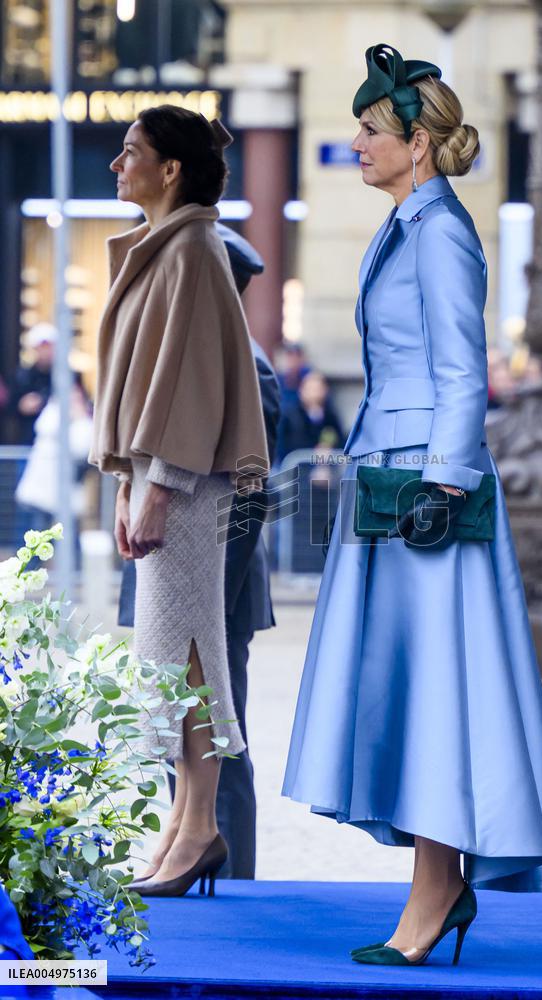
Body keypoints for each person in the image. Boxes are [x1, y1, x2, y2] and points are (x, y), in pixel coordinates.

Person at [282, 43, 542, 968]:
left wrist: (442, 487)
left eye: (370, 132)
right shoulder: (412, 221)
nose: (357, 145)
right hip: (396, 473)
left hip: (424, 487)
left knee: (434, 688)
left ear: (417, 141)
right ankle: (437, 884)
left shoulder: (441, 230)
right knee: (418, 689)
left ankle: (436, 892)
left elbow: (463, 373)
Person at [88, 105, 269, 897]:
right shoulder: (175, 247)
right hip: (171, 479)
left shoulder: (192, 247)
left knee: (191, 657)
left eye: (130, 153)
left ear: (170, 170)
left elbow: (186, 381)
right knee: (181, 656)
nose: (115, 166)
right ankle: (188, 823)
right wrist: (136, 479)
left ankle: (197, 825)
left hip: (186, 484)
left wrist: (155, 485)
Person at [117, 224, 281, 880]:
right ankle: (185, 849)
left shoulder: (249, 366)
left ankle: (228, 871)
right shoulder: (191, 353)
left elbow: (247, 496)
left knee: (220, 736)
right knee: (186, 735)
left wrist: (205, 599)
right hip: (179, 576)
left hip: (218, 585)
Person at [15, 376, 93, 534]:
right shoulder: (53, 411)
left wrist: (79, 417)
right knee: (34, 535)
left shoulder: (81, 417)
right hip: (41, 486)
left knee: (67, 536)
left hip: (65, 487)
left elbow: (82, 447)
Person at [276, 370, 345, 463]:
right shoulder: (290, 416)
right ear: (301, 391)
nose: (314, 393)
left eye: (318, 389)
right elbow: (285, 445)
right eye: (310, 389)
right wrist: (314, 452)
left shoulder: (331, 416)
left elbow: (340, 439)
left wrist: (328, 448)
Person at [8, 324, 56, 445]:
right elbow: (9, 406)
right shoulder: (22, 376)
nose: (46, 351)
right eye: (42, 347)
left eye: (49, 347)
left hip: (59, 444)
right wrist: (21, 406)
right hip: (28, 441)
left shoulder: (69, 377)